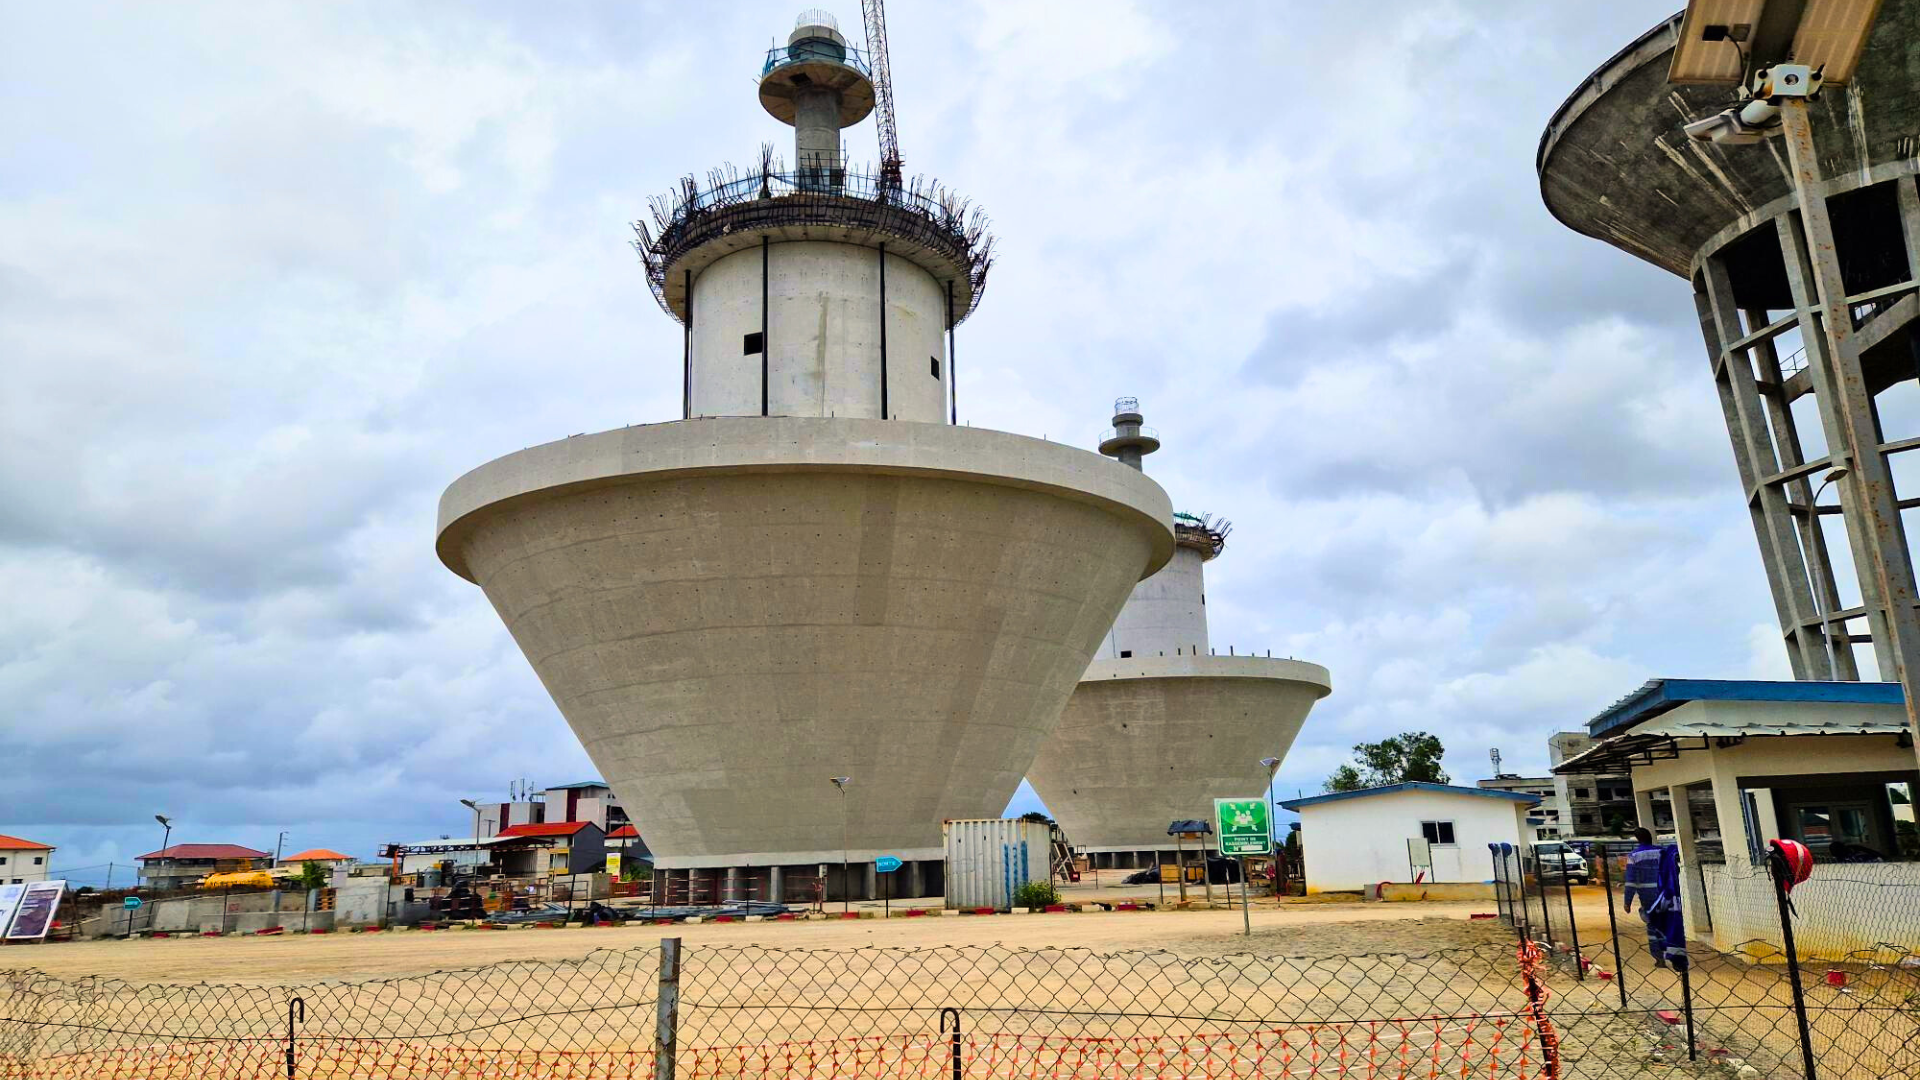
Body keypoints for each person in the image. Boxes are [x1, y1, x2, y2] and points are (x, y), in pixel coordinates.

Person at [1621, 828, 1671, 968]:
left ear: (1638, 839)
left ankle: (1659, 957)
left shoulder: (1634, 855)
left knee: (1652, 925)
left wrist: (1627, 901)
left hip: (1647, 895)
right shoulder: (1663, 852)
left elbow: (1631, 881)